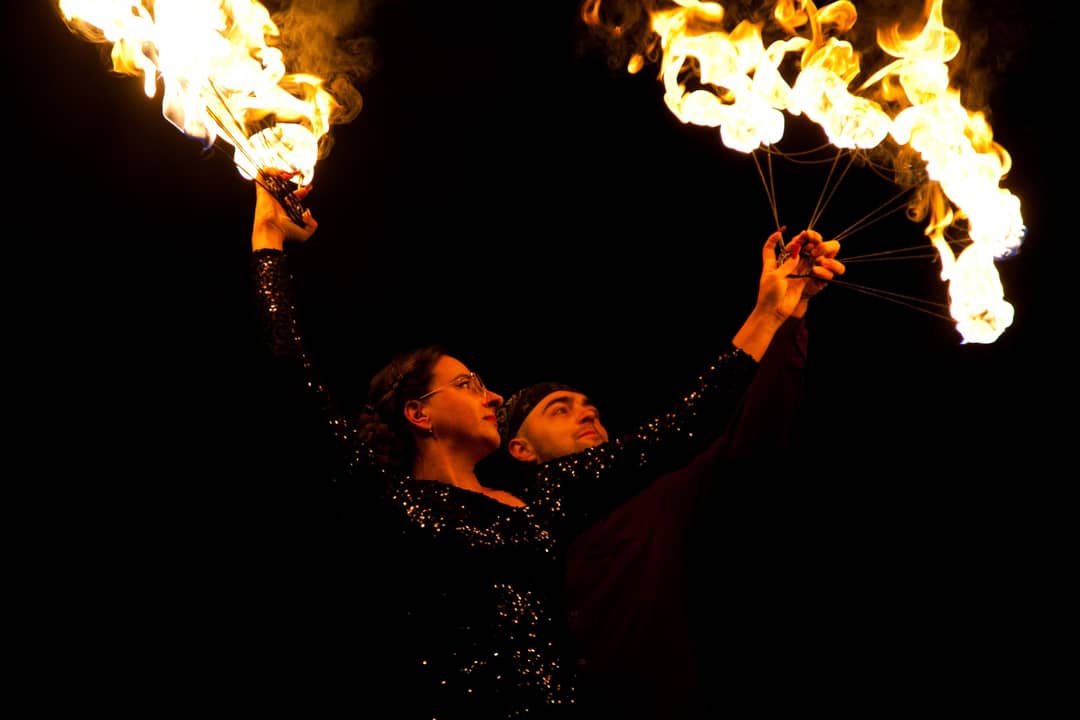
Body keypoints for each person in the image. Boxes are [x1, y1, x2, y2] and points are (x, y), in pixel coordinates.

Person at [247, 173, 842, 718]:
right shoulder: (385, 499)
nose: (491, 395)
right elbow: (289, 374)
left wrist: (769, 312)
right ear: (418, 413)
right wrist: (268, 239)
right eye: (468, 384)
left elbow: (681, 426)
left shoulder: (547, 499)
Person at [492, 235, 842, 719]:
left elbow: (753, 430)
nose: (587, 414)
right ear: (520, 449)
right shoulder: (501, 525)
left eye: (591, 407)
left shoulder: (655, 492)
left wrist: (786, 319)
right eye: (560, 409)